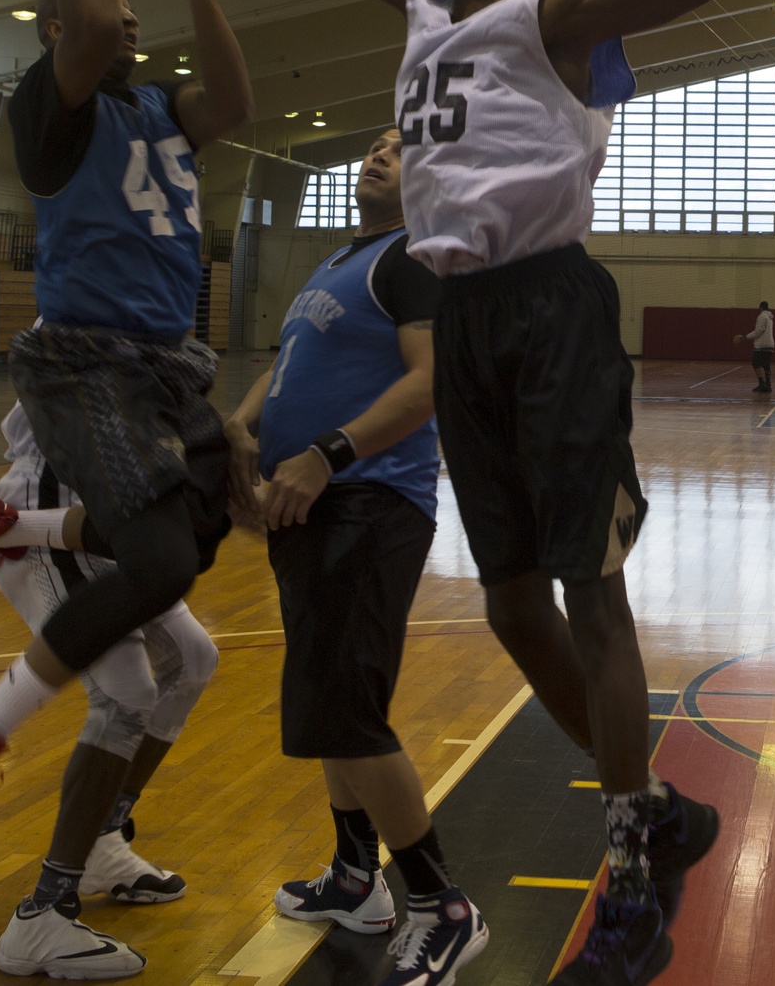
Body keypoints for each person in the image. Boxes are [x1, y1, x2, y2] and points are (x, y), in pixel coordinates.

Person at [106, 0, 775, 986]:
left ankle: (628, 870)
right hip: (469, 318)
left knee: (589, 597)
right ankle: (654, 810)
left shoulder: (548, 14)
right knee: (509, 605)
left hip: (551, 311)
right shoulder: (418, 9)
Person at [0, 0, 254, 964]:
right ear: (57, 33)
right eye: (105, 13)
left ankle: (99, 844)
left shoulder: (154, 110)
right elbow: (94, 15)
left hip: (158, 378)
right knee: (146, 614)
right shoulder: (50, 108)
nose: (127, 17)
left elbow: (234, 102)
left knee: (189, 630)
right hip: (82, 377)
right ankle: (5, 820)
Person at [225, 127, 489, 981]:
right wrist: (243, 425)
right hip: (310, 507)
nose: (378, 154)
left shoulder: (413, 257)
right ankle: (353, 875)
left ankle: (443, 903)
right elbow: (295, 360)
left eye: (398, 151)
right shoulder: (342, 261)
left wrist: (326, 453)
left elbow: (430, 378)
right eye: (373, 146)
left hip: (369, 504)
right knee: (325, 700)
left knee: (347, 704)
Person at [0, 402, 220, 977]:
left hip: (97, 503)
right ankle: (43, 911)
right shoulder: (103, 349)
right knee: (124, 695)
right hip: (59, 501)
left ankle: (101, 840)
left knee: (192, 659)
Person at [747, 301, 774, 395]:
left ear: (761, 307)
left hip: (762, 345)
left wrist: (746, 337)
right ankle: (768, 385)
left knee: (755, 363)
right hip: (770, 344)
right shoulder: (770, 317)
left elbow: (759, 331)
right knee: (766, 365)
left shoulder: (762, 316)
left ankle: (762, 383)